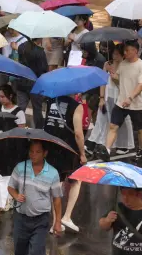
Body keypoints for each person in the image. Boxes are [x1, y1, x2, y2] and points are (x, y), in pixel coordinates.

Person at [8, 141, 63, 255]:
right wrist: (16, 195)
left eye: (37, 152)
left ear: (45, 153)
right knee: (20, 251)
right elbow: (10, 187)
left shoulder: (53, 173)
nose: (33, 154)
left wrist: (58, 222)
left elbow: (57, 199)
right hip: (21, 219)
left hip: (41, 220)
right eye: (31, 151)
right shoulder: (20, 167)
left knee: (36, 251)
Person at [44, 94, 87, 233]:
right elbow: (78, 134)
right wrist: (82, 153)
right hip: (69, 149)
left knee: (56, 184)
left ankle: (55, 222)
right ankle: (66, 217)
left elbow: (47, 125)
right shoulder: (76, 106)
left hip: (51, 147)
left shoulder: (51, 100)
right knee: (76, 180)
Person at [102, 40, 142, 163]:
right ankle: (106, 150)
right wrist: (113, 75)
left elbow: (141, 85)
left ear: (135, 51)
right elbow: (119, 80)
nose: (125, 52)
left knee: (139, 128)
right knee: (113, 126)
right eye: (125, 50)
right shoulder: (123, 64)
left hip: (135, 104)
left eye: (127, 50)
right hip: (121, 102)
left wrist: (130, 98)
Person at [89, 44, 135, 156]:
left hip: (121, 97)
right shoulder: (107, 64)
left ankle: (123, 145)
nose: (115, 56)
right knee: (103, 118)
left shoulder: (126, 66)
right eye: (114, 53)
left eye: (117, 54)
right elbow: (103, 82)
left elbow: (124, 85)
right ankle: (94, 141)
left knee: (123, 122)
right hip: (108, 95)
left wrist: (114, 77)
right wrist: (101, 98)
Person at [0, 85, 25, 222]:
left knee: (2, 178)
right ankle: (7, 200)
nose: (0, 99)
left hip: (10, 149)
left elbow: (21, 133)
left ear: (10, 96)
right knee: (1, 178)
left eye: (3, 96)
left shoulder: (19, 112)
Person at [99, 187, 142, 255]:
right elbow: (103, 226)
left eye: (130, 194)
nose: (125, 198)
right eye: (123, 194)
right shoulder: (118, 207)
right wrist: (107, 220)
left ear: (139, 194)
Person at [16, 39, 48, 128]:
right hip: (35, 84)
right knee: (37, 110)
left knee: (20, 108)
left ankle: (17, 128)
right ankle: (38, 131)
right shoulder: (40, 51)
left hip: (21, 82)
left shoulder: (21, 47)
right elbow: (43, 69)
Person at [81, 42, 107, 124]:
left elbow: (100, 78)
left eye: (85, 51)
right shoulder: (90, 58)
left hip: (95, 91)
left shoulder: (99, 60)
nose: (83, 53)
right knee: (93, 114)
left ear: (90, 51)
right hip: (89, 89)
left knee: (89, 113)